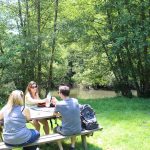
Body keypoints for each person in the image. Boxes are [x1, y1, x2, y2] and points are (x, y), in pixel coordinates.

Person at [53, 85, 82, 150]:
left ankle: (61, 148)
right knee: (72, 124)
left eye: (58, 92)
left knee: (55, 129)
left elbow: (54, 114)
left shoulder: (59, 104)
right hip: (78, 129)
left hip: (66, 131)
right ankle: (73, 146)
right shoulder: (75, 100)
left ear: (61, 93)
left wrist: (56, 106)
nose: (58, 94)